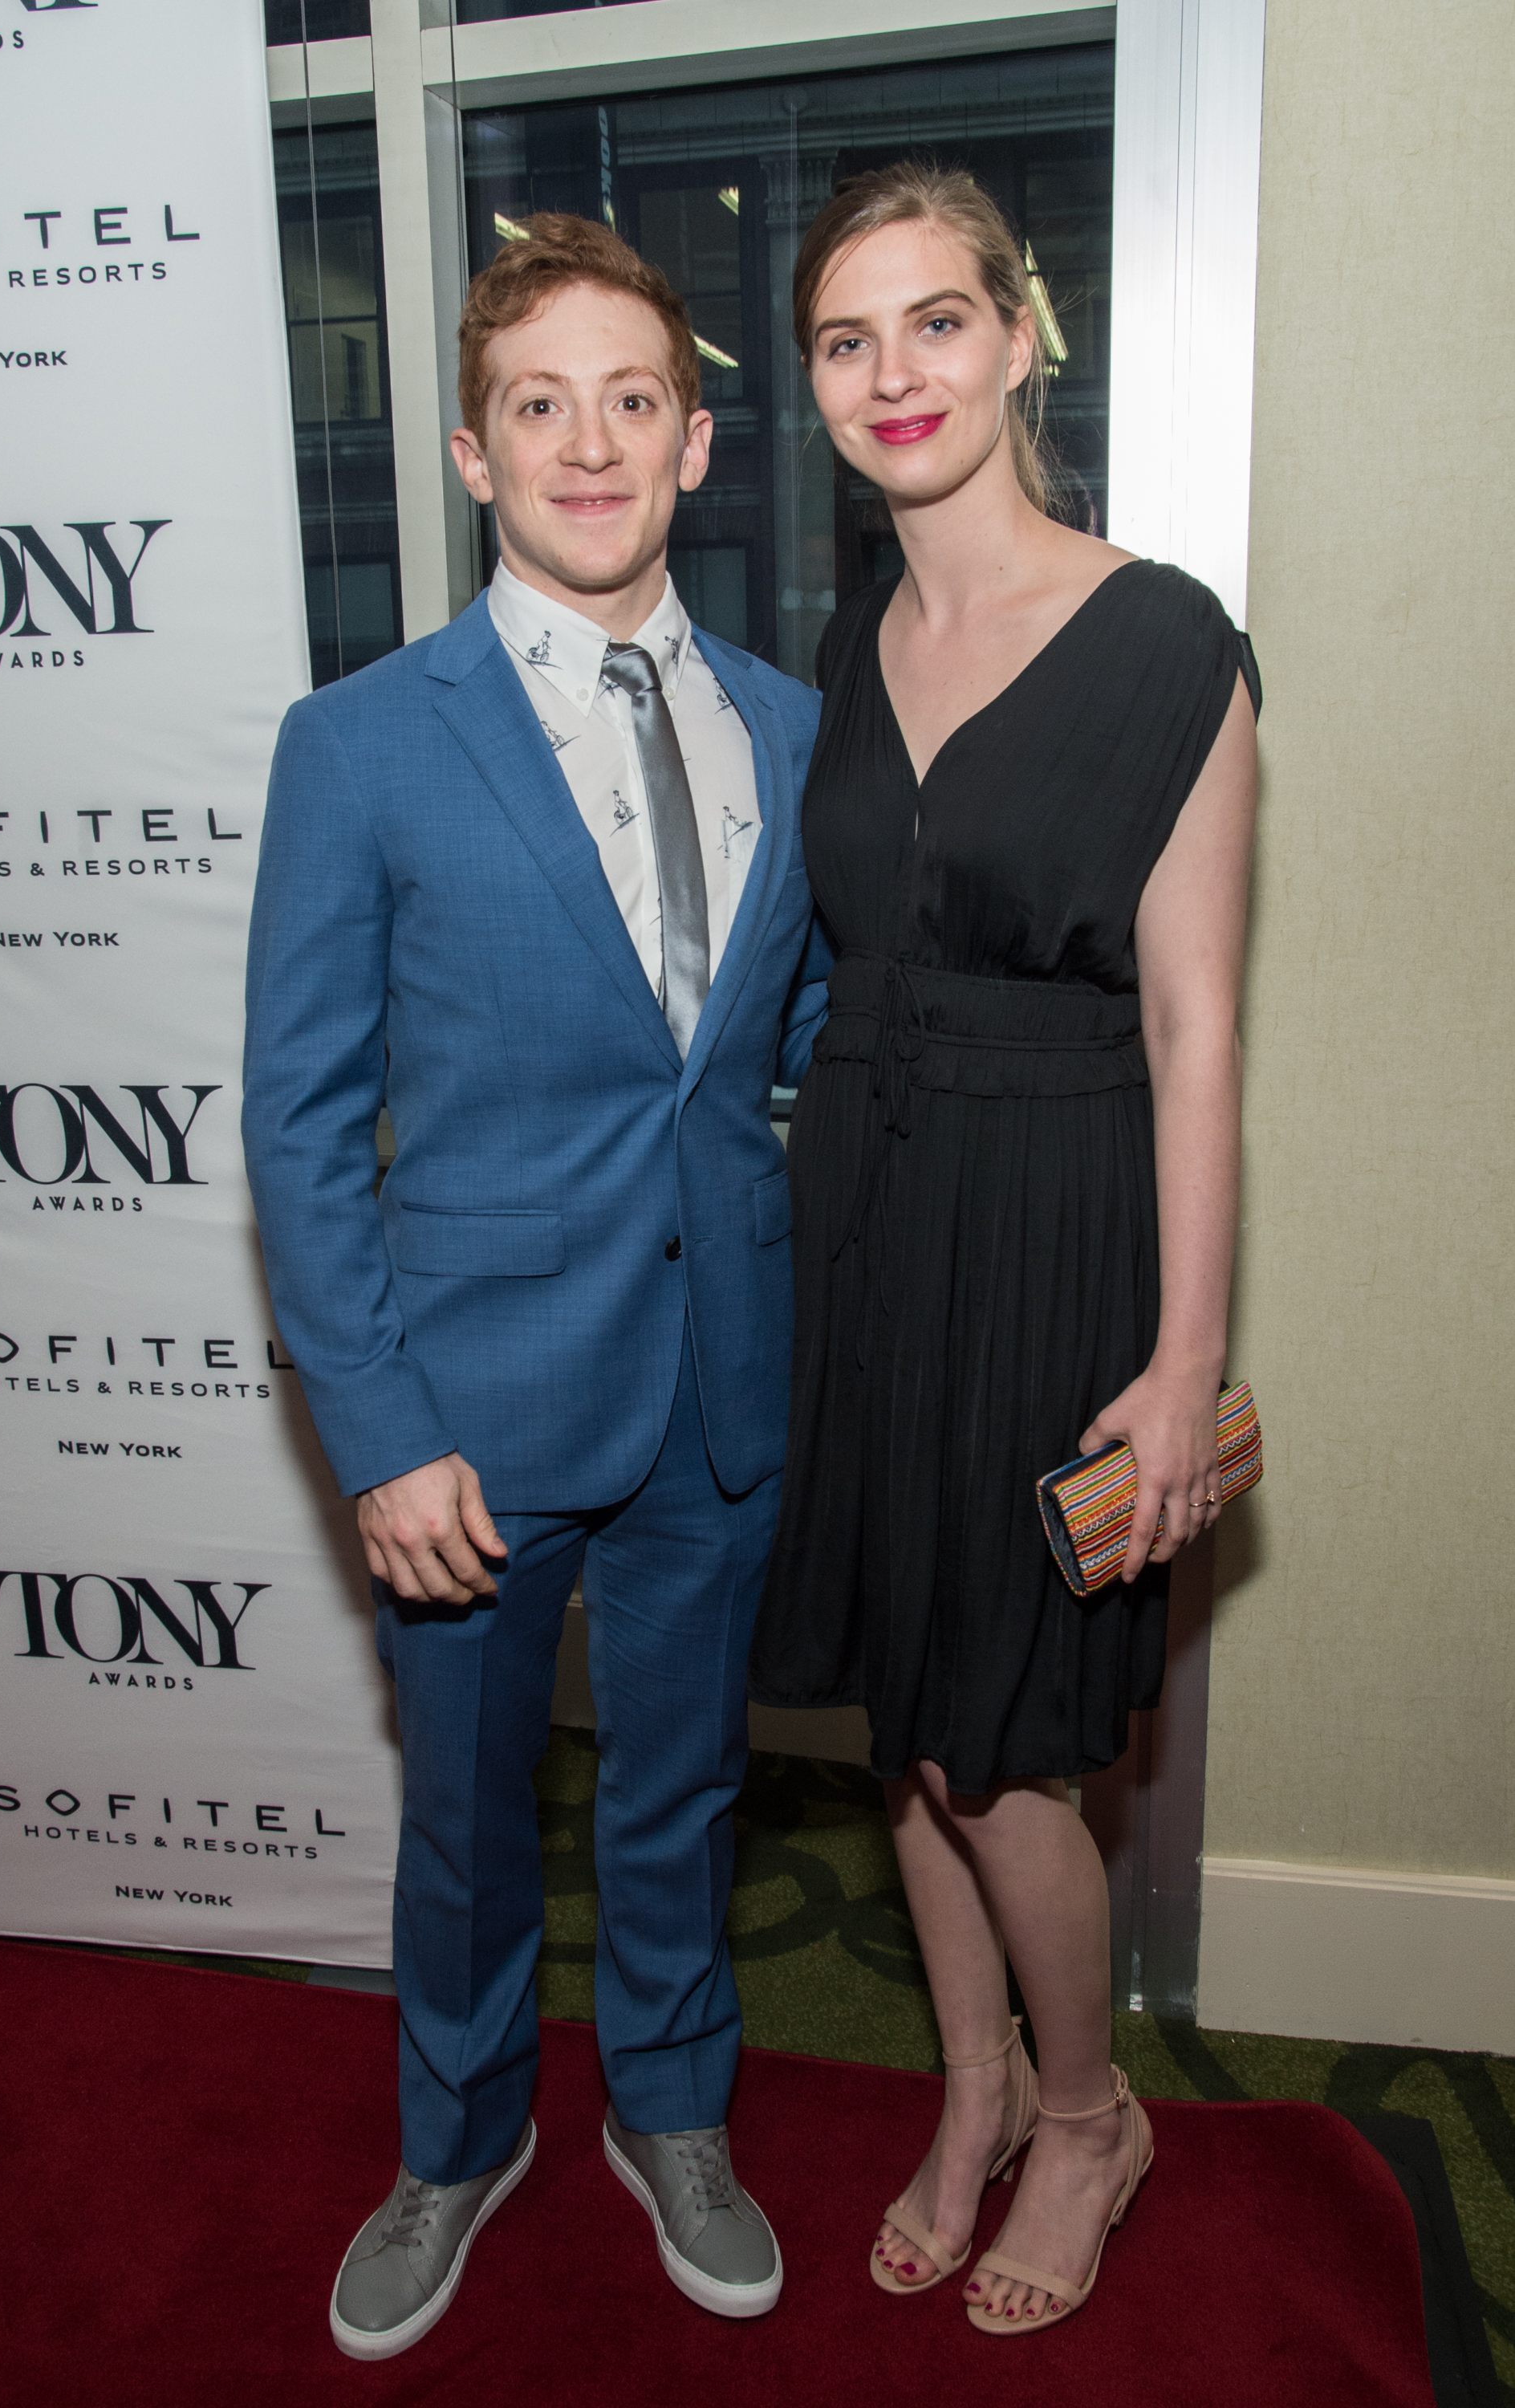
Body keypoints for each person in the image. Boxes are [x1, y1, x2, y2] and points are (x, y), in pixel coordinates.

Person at [243, 213, 830, 2358]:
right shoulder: (364, 739)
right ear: (477, 456)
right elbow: (299, 1127)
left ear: (693, 443)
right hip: (469, 1417)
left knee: (681, 1789)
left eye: (633, 398)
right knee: (474, 1827)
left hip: (716, 1389)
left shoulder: (791, 719)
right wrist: (378, 1432)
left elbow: (784, 1043)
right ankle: (458, 2137)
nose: (589, 441)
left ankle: (671, 2107)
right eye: (538, 404)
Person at [748, 163, 1258, 2337]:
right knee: (906, 1724)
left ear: (1023, 331)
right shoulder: (851, 644)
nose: (894, 378)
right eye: (848, 343)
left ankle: (1087, 2114)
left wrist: (1179, 1360)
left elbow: (1198, 1029)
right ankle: (967, 2095)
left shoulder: (1165, 643)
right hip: (864, 1221)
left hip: (1056, 1233)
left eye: (934, 324)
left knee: (1007, 1747)